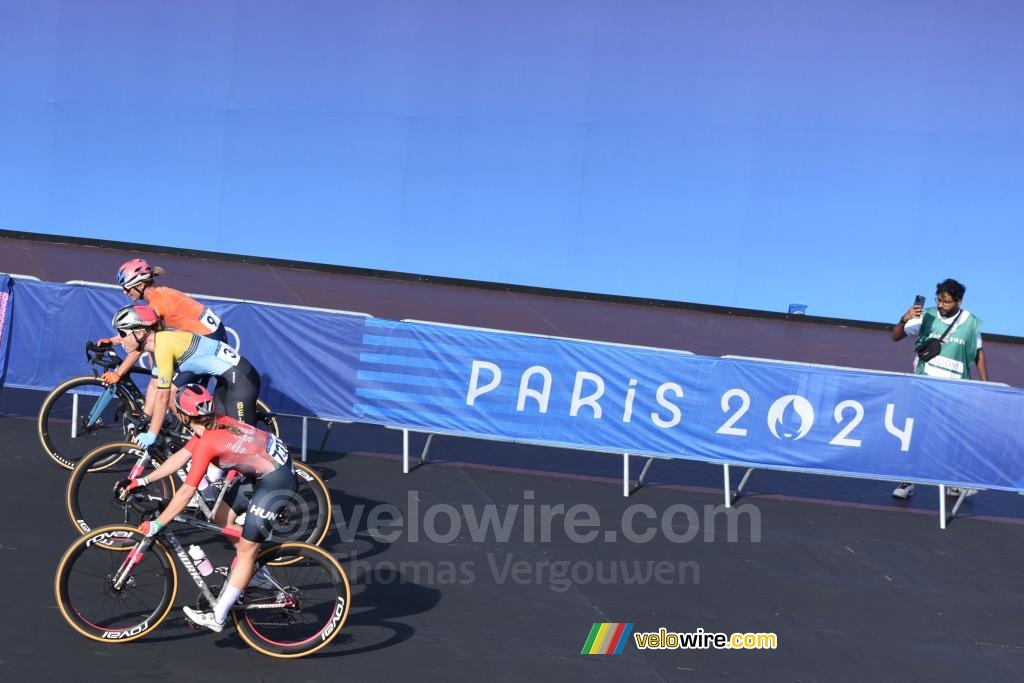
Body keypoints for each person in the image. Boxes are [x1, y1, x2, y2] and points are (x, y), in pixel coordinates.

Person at [115, 383, 297, 632]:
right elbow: (180, 457)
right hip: (266, 471)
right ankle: (255, 573)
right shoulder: (212, 422)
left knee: (245, 550)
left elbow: (186, 492)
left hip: (277, 480)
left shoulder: (208, 441)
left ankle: (218, 616)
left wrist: (158, 524)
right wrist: (142, 480)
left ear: (182, 414)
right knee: (220, 517)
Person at [110, 303, 261, 449]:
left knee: (243, 443)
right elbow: (155, 386)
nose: (119, 338)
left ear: (140, 333)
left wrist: (152, 433)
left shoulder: (163, 346)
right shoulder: (157, 344)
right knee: (217, 434)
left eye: (122, 333)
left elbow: (163, 397)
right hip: (227, 379)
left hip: (241, 379)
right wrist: (145, 419)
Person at [890, 278, 987, 499]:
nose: (941, 305)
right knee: (918, 433)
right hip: (925, 385)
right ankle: (907, 482)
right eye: (939, 300)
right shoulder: (927, 315)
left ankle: (952, 483)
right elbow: (895, 336)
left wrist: (984, 384)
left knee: (952, 438)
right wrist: (904, 318)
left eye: (947, 301)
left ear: (959, 301)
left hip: (957, 389)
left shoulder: (970, 322)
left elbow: (979, 352)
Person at [98, 258, 228, 386]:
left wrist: (118, 374)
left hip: (209, 338)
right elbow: (136, 335)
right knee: (156, 348)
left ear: (141, 285)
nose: (124, 292)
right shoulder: (159, 294)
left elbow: (139, 343)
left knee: (171, 392)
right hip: (214, 332)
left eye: (126, 288)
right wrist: (111, 341)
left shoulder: (156, 306)